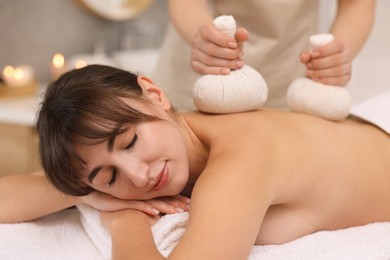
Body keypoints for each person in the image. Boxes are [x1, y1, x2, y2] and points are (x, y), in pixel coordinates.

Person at [1, 65, 389, 259]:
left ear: (153, 92)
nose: (138, 176)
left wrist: (123, 219)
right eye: (109, 176)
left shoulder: (240, 161)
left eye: (131, 141)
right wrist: (86, 194)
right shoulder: (176, 143)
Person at [153, 0, 376, 110]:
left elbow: (357, 4)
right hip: (201, 75)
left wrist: (336, 54)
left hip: (287, 83)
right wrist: (205, 39)